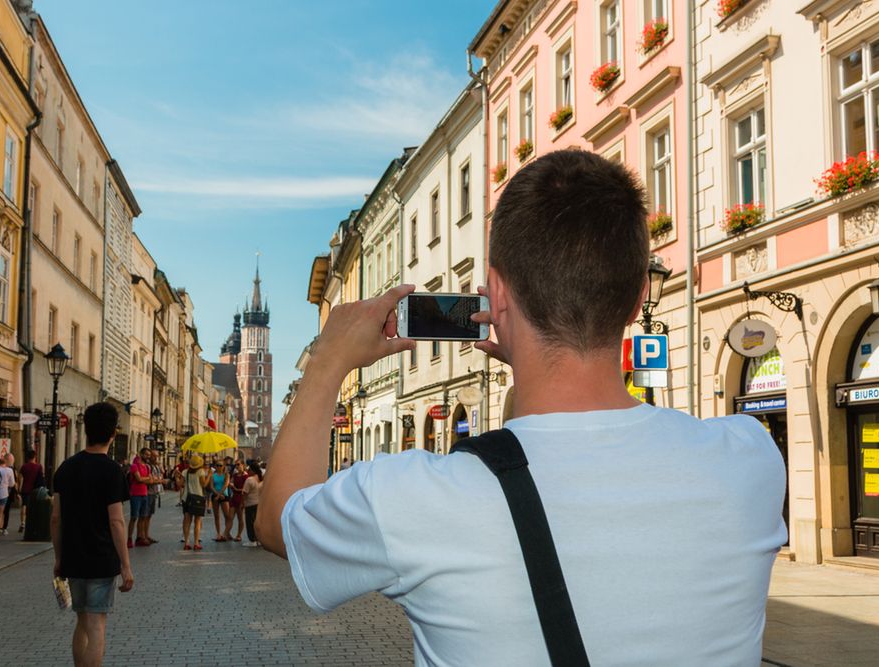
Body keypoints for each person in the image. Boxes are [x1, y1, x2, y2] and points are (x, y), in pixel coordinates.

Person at [257, 150, 788, 665]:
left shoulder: (414, 497)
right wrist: (531, 349)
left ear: (497, 293)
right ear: (635, 300)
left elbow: (279, 520)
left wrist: (326, 362)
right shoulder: (749, 459)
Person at [51, 401, 133, 667]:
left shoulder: (66, 467)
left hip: (73, 558)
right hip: (101, 559)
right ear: (112, 434)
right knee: (97, 624)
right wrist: (126, 565)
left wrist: (58, 557)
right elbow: (116, 521)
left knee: (82, 621)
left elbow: (55, 517)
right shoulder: (112, 471)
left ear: (85, 430)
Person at [181, 455, 209, 550]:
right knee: (197, 521)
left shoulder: (185, 472)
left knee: (187, 521)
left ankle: (186, 542)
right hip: (198, 498)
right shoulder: (200, 472)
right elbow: (204, 484)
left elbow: (180, 484)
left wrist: (177, 477)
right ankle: (196, 543)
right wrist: (209, 475)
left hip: (187, 498)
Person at [127, 450, 152, 548]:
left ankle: (139, 538)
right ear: (141, 454)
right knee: (133, 517)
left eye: (149, 455)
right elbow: (138, 479)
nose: (148, 457)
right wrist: (147, 478)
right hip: (135, 494)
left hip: (144, 494)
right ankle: (129, 538)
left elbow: (149, 480)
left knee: (142, 517)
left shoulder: (146, 467)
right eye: (146, 454)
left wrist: (144, 478)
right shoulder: (134, 466)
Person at [17, 449, 44, 533]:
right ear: (35, 457)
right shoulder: (39, 466)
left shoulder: (24, 466)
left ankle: (22, 522)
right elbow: (41, 478)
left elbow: (20, 478)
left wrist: (19, 489)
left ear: (27, 457)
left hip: (25, 489)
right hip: (35, 490)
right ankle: (32, 523)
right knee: (33, 506)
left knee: (24, 505)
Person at [241, 463, 263, 547]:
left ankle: (252, 540)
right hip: (259, 503)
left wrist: (242, 503)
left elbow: (245, 493)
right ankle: (259, 539)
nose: (247, 471)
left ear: (253, 471)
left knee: (250, 522)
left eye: (249, 469)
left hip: (250, 503)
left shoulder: (249, 480)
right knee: (257, 522)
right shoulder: (260, 479)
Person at [226, 460, 248, 542]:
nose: (237, 466)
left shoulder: (246, 476)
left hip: (241, 497)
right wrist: (230, 484)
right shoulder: (235, 475)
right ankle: (226, 533)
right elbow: (231, 482)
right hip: (234, 497)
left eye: (238, 464)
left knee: (240, 518)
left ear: (243, 465)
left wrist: (236, 489)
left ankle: (239, 535)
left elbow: (246, 488)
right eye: (236, 465)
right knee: (230, 517)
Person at [210, 461, 230, 541]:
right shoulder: (212, 476)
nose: (219, 467)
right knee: (216, 516)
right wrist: (217, 495)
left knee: (227, 516)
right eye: (217, 465)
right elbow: (211, 486)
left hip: (223, 496)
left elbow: (226, 485)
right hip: (215, 496)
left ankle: (226, 532)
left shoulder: (226, 475)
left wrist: (219, 495)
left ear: (223, 466)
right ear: (215, 466)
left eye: (220, 465)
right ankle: (218, 533)